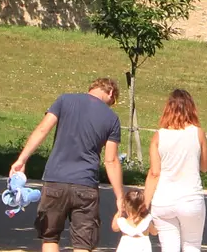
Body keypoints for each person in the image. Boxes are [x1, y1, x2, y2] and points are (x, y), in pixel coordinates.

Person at [11, 76, 126, 252]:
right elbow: (110, 160)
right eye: (113, 102)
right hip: (86, 185)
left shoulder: (65, 100)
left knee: (50, 237)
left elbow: (42, 129)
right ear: (110, 92)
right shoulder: (112, 118)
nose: (111, 105)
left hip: (55, 180)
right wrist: (120, 196)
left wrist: (22, 159)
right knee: (83, 243)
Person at [141, 89, 207, 252]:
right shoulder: (198, 133)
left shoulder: (159, 136)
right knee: (192, 245)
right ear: (191, 108)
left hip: (163, 200)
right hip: (190, 199)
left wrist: (144, 204)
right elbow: (204, 167)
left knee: (169, 247)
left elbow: (154, 173)